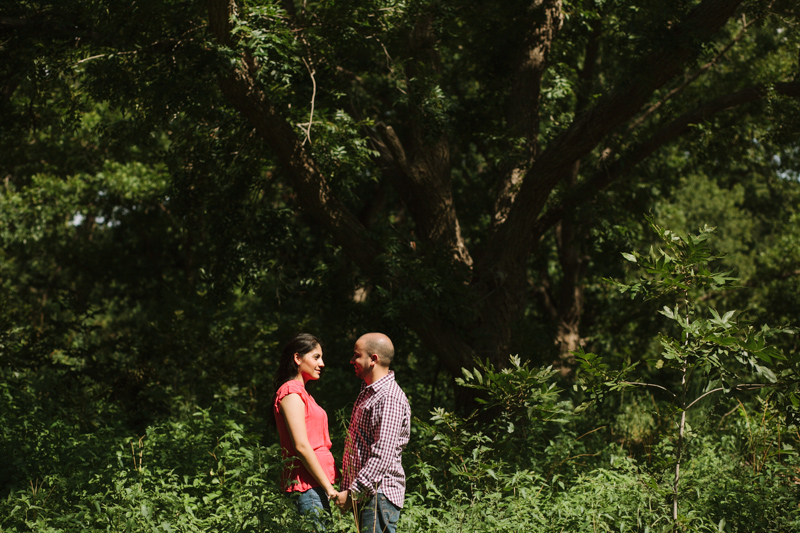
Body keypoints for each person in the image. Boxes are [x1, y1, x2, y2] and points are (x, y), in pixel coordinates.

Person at [332, 332, 411, 533]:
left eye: (356, 355)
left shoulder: (389, 397)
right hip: (368, 495)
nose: (352, 361)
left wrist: (352, 494)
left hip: (378, 495)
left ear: (373, 359)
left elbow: (382, 456)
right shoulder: (369, 392)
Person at [272, 333, 337, 531]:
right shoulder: (291, 392)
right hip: (306, 487)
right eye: (316, 357)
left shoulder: (303, 393)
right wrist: (330, 489)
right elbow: (301, 445)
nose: (322, 363)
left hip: (314, 486)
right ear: (297, 358)